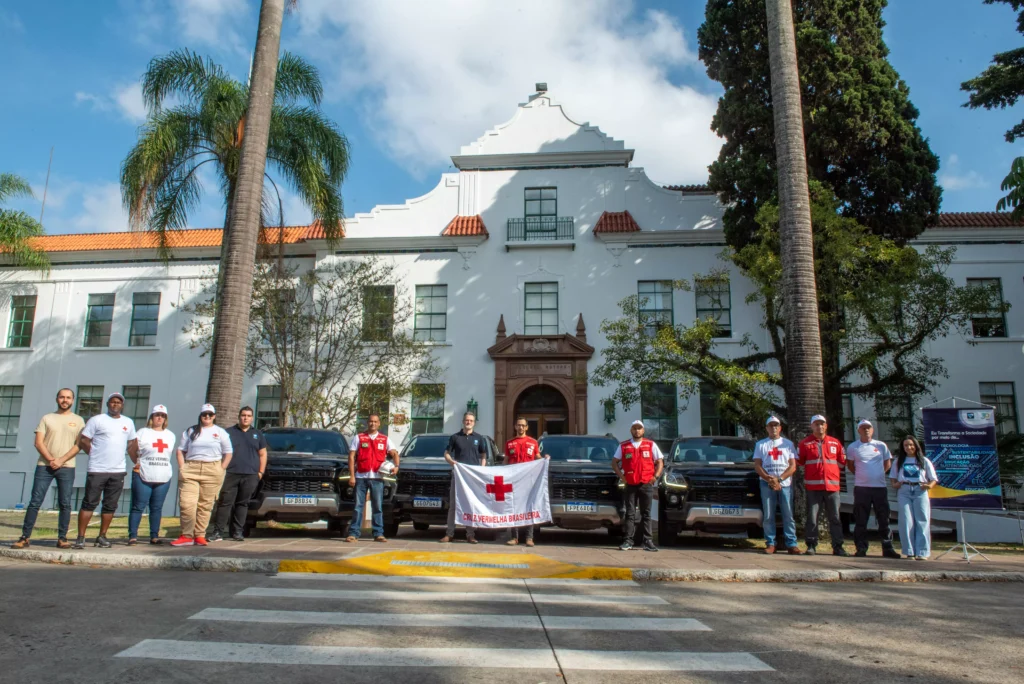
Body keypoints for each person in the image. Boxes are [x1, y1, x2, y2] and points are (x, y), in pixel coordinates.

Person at [12, 389, 85, 550]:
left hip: (67, 467)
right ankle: (25, 537)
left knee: (65, 503)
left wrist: (61, 460)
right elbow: (38, 442)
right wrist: (52, 459)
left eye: (68, 397)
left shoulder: (79, 420)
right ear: (57, 399)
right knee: (35, 502)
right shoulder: (47, 418)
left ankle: (62, 538)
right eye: (62, 397)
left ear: (73, 400)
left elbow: (79, 445)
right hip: (44, 466)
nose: (65, 400)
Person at [74, 392, 139, 549]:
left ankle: (102, 536)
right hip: (97, 469)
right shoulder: (97, 420)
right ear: (107, 404)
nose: (115, 404)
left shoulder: (128, 422)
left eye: (118, 402)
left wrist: (136, 461)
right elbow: (83, 440)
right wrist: (94, 454)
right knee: (89, 502)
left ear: (122, 405)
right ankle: (81, 537)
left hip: (117, 471)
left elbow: (131, 444)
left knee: (110, 505)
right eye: (112, 402)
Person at [171, 404, 232, 547]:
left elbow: (228, 452)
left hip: (212, 469)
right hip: (191, 468)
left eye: (210, 414)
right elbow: (180, 450)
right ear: (200, 416)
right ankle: (186, 535)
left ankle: (199, 535)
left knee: (205, 505)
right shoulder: (191, 431)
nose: (207, 417)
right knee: (187, 503)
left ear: (214, 416)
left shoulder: (220, 432)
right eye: (205, 414)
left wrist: (221, 468)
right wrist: (182, 467)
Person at [209, 406, 267, 542]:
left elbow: (263, 454)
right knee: (225, 503)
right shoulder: (228, 432)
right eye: (243, 415)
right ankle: (218, 532)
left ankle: (237, 532)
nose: (245, 418)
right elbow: (220, 451)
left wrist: (260, 472)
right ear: (239, 416)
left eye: (248, 415)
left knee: (243, 504)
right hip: (231, 473)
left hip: (250, 475)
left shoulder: (258, 434)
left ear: (252, 418)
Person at [847, 419, 900, 559]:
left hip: (879, 487)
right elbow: (851, 465)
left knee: (883, 518)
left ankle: (887, 547)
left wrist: (877, 474)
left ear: (872, 430)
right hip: (861, 488)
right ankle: (861, 548)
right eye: (863, 428)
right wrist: (862, 475)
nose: (866, 430)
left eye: (868, 428)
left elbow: (887, 463)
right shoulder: (853, 447)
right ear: (858, 430)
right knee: (860, 519)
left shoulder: (881, 445)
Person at [796, 414, 849, 556]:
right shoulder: (805, 444)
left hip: (832, 487)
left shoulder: (835, 443)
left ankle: (838, 546)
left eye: (822, 424)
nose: (819, 426)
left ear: (826, 426)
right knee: (812, 517)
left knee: (835, 518)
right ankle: (811, 545)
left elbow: (842, 462)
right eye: (816, 424)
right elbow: (799, 462)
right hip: (813, 488)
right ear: (812, 426)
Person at [611, 419, 664, 552]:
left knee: (646, 513)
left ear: (643, 430)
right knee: (630, 513)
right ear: (631, 430)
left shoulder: (650, 445)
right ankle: (628, 540)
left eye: (639, 428)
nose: (637, 430)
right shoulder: (624, 446)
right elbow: (614, 463)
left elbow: (660, 461)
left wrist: (655, 477)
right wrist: (623, 477)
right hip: (631, 484)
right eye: (634, 428)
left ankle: (648, 541)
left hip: (646, 484)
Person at [346, 413, 399, 543]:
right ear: (367, 423)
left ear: (379, 423)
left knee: (377, 506)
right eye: (370, 421)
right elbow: (352, 456)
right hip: (361, 477)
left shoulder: (384, 439)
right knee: (358, 506)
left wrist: (396, 466)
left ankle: (378, 533)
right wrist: (352, 476)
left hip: (377, 477)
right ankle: (353, 533)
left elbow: (394, 453)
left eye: (375, 422)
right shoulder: (359, 438)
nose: (373, 424)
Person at [753, 415, 801, 555]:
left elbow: (793, 466)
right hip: (766, 484)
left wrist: (779, 480)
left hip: (785, 484)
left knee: (788, 515)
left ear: (780, 428)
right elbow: (757, 465)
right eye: (771, 426)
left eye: (776, 426)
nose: (773, 428)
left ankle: (791, 544)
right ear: (767, 428)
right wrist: (769, 479)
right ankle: (770, 543)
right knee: (768, 515)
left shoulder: (788, 444)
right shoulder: (761, 444)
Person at [128, 404, 175, 546]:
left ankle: (154, 535)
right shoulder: (142, 432)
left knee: (156, 507)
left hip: (163, 475)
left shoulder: (170, 435)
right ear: (152, 417)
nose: (159, 418)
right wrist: (136, 462)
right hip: (143, 474)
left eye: (162, 415)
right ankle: (133, 536)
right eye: (157, 415)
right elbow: (132, 449)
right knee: (138, 506)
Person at [441, 412, 488, 544]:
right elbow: (447, 453)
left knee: (470, 505)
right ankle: (449, 534)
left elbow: (483, 455)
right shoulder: (455, 437)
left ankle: (470, 535)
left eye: (471, 420)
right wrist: (452, 463)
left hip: (472, 477)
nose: (469, 422)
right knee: (453, 505)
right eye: (467, 420)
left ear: (474, 423)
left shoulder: (479, 438)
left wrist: (481, 470)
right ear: (463, 421)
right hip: (458, 475)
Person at [890, 435, 938, 560]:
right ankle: (909, 551)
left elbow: (933, 479)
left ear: (916, 446)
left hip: (920, 491)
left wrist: (928, 486)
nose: (908, 447)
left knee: (922, 520)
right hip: (904, 490)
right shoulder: (899, 461)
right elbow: (893, 478)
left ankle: (922, 552)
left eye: (911, 445)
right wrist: (895, 484)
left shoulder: (924, 460)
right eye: (906, 445)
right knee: (906, 520)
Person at [503, 416, 544, 547]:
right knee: (514, 508)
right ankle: (514, 537)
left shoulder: (533, 442)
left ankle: (529, 538)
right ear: (515, 426)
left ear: (526, 427)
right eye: (518, 425)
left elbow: (538, 458)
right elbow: (506, 461)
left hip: (528, 481)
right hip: (514, 482)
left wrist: (545, 460)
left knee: (528, 508)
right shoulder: (509, 443)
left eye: (523, 425)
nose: (520, 427)